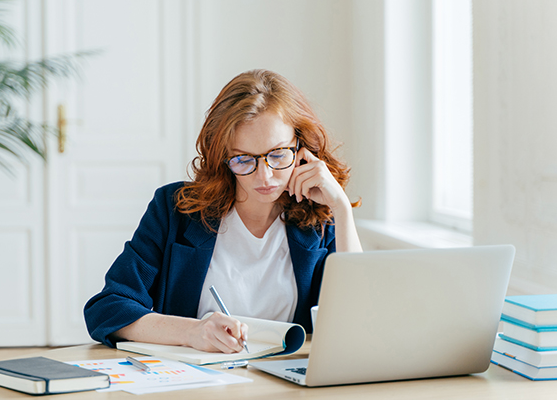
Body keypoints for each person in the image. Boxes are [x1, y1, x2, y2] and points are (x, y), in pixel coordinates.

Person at [84, 69, 362, 354]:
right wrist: (192, 332)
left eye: (278, 154)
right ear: (222, 157)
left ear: (301, 148)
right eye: (243, 159)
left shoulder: (319, 219)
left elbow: (359, 320)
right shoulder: (175, 210)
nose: (264, 177)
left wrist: (341, 209)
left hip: (284, 382)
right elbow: (107, 309)